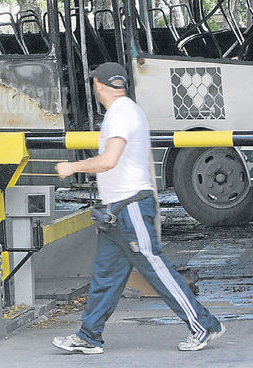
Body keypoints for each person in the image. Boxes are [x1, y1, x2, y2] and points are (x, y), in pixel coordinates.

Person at [52, 62, 224, 355]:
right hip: (117, 211)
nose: (95, 89)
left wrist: (72, 167)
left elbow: (108, 160)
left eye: (95, 85)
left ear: (101, 86)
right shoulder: (125, 111)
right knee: (106, 276)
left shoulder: (120, 114)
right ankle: (89, 335)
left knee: (156, 269)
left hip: (129, 207)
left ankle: (203, 324)